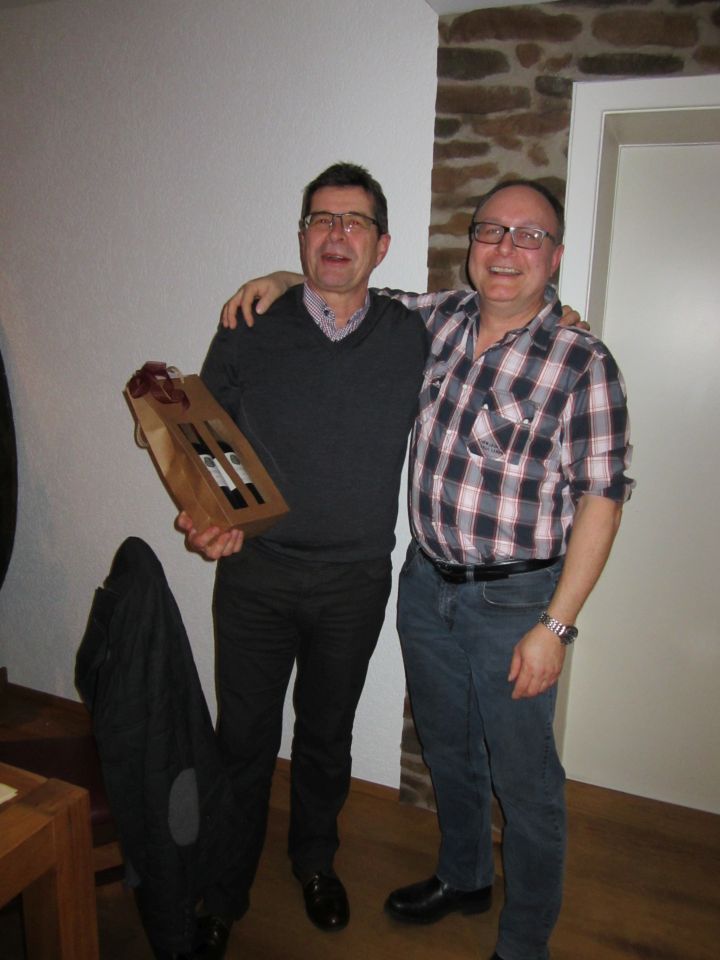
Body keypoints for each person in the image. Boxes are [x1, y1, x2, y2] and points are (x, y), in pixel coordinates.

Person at [223, 179, 634, 960]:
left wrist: (555, 626)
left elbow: (603, 500)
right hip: (425, 585)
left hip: (517, 603)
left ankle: (524, 944)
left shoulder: (582, 361)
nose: (506, 249)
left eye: (530, 236)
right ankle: (465, 876)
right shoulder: (435, 320)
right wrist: (281, 278)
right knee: (448, 753)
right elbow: (345, 289)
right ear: (470, 244)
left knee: (525, 783)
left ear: (554, 257)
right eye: (492, 231)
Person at [177, 162, 428, 959]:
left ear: (382, 245)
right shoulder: (249, 326)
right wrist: (211, 519)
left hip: (354, 581)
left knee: (326, 736)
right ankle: (223, 889)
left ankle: (315, 861)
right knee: (244, 742)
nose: (336, 234)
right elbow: (204, 439)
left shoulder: (414, 335)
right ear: (301, 236)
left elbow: (497, 316)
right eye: (321, 219)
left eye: (354, 222)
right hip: (257, 577)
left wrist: (560, 313)